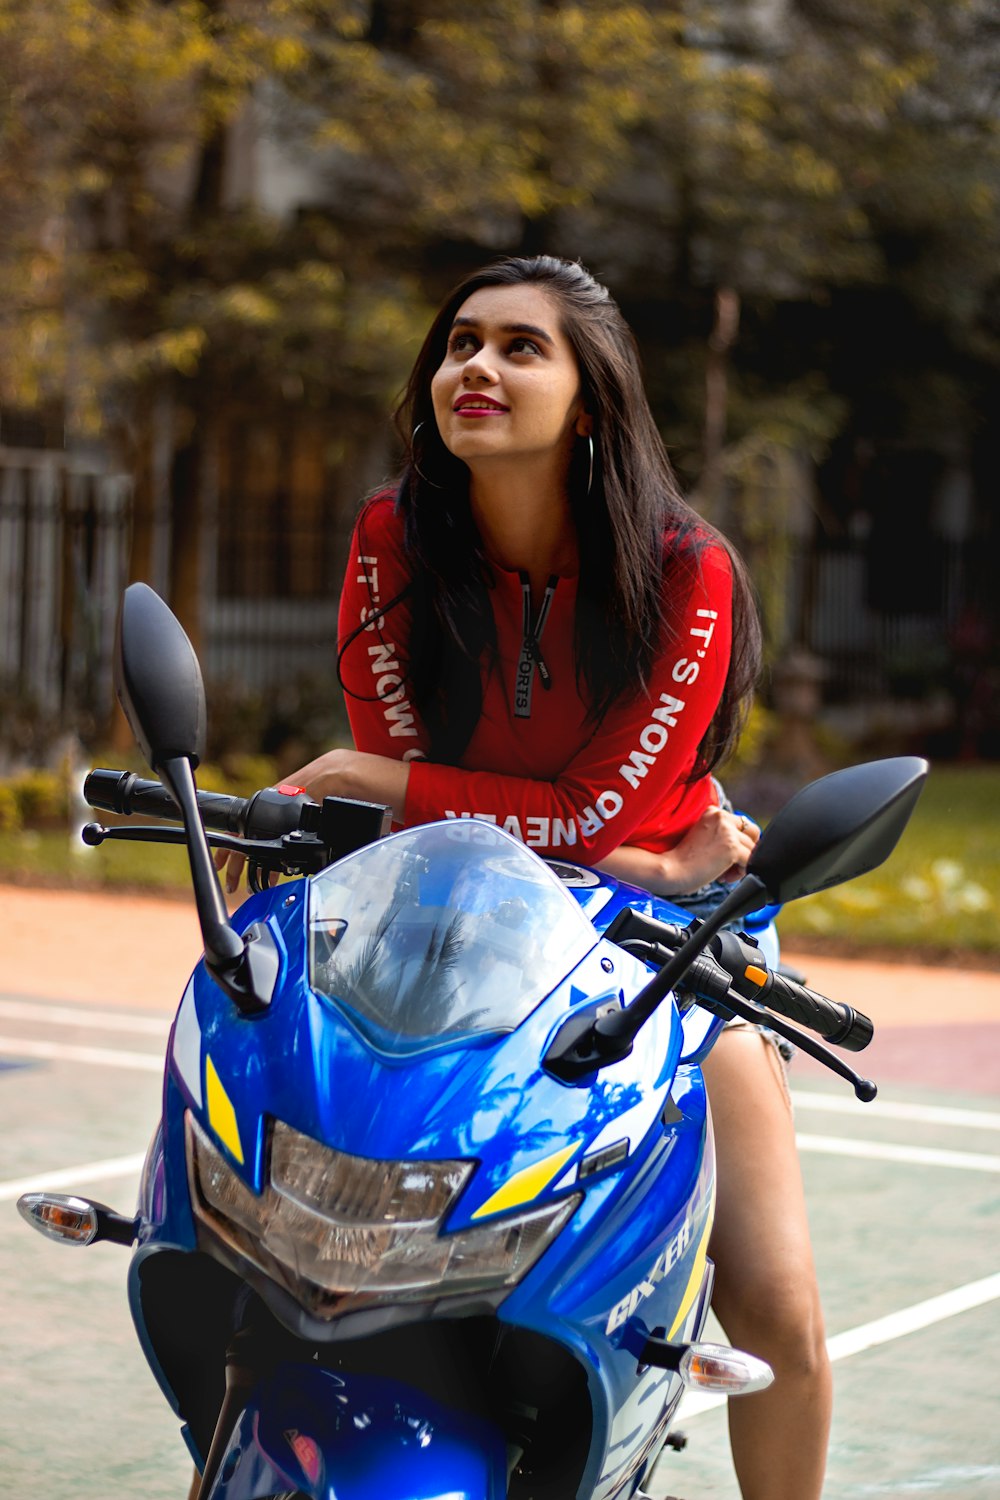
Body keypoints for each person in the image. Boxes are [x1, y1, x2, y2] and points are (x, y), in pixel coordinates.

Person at [222, 254, 831, 1500]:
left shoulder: (685, 568)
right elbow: (425, 786)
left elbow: (465, 789)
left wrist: (635, 861)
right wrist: (612, 841)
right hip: (453, 916)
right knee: (277, 1239)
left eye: (518, 348)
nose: (475, 369)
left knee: (772, 1305)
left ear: (591, 400)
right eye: (459, 344)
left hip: (655, 934)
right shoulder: (394, 535)